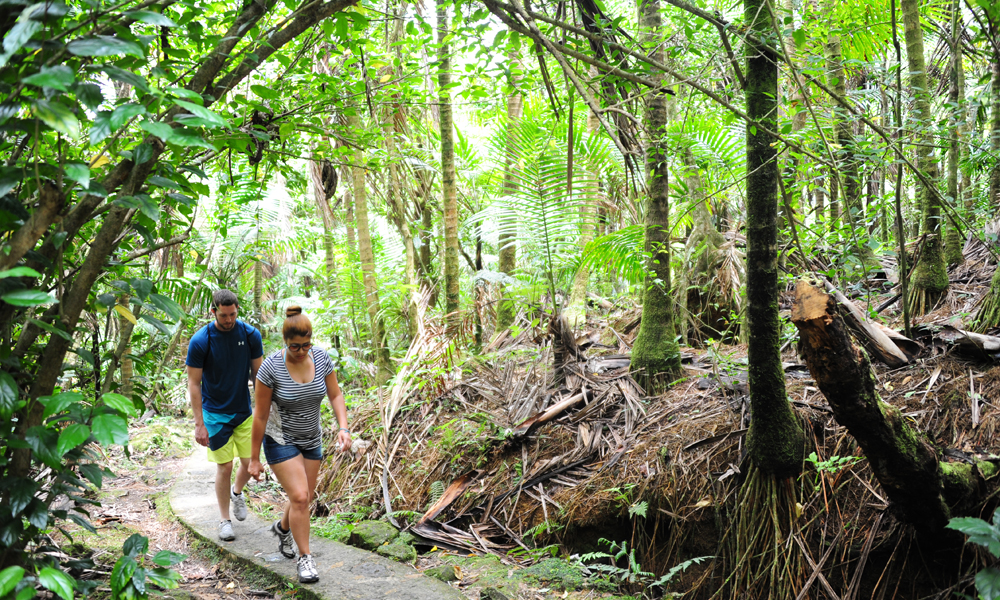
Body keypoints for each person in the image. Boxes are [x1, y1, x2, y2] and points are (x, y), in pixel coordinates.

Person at [248, 306, 351, 584]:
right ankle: (305, 559)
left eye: (306, 345)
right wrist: (254, 458)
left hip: (311, 439)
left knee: (302, 496)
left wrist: (343, 427)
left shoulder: (321, 358)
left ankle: (283, 529)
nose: (302, 351)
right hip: (281, 440)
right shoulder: (271, 367)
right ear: (285, 342)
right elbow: (260, 414)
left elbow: (335, 394)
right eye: (296, 347)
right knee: (302, 498)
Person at [186, 289, 264, 542]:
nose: (228, 319)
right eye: (223, 315)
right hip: (214, 413)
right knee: (225, 465)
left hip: (243, 411)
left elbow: (260, 377)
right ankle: (224, 520)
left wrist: (267, 412)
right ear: (213, 312)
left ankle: (237, 492)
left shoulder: (250, 335)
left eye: (232, 314)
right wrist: (199, 424)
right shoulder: (201, 340)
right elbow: (194, 383)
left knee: (248, 463)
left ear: (237, 309)